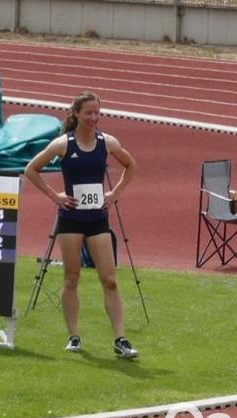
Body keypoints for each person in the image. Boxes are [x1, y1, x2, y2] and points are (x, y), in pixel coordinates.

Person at [24, 91, 139, 358]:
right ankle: (74, 336)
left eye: (97, 113)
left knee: (109, 279)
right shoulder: (63, 144)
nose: (94, 118)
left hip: (97, 219)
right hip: (71, 220)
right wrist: (55, 196)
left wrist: (115, 193)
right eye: (88, 113)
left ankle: (121, 339)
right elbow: (31, 169)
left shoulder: (107, 142)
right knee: (72, 277)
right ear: (76, 114)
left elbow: (131, 166)